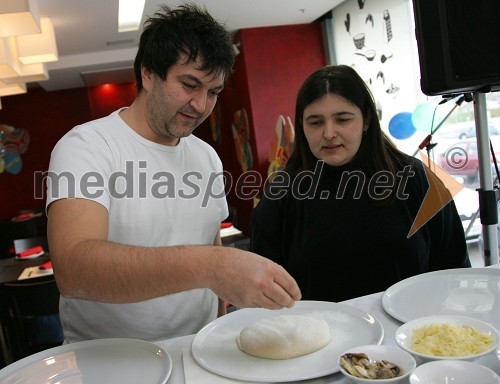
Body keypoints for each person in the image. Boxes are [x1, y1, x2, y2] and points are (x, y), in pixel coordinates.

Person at [46, 3, 300, 343]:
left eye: (212, 92)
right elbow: (74, 270)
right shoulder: (87, 146)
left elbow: (209, 245)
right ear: (149, 74)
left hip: (197, 349)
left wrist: (220, 325)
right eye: (189, 84)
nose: (200, 105)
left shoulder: (206, 156)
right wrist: (214, 265)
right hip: (108, 363)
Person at [250, 65, 470, 303]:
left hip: (412, 334)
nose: (329, 133)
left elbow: (454, 268)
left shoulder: (416, 178)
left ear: (366, 120)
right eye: (315, 122)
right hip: (321, 337)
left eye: (342, 119)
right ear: (302, 127)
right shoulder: (282, 193)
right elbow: (264, 289)